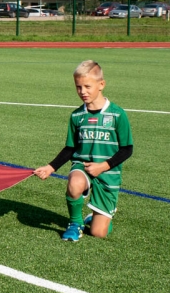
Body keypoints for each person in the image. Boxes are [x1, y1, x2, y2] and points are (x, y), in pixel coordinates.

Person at [34, 60, 134, 241]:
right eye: (78, 87)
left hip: (108, 173)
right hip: (83, 166)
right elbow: (70, 148)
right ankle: (75, 223)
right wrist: (51, 167)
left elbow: (127, 149)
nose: (82, 92)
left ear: (101, 84)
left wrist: (104, 166)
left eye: (87, 86)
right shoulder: (77, 116)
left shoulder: (118, 115)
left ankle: (98, 217)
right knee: (74, 183)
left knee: (98, 233)